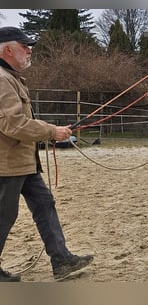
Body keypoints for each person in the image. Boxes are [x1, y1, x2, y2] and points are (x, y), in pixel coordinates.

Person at [0, 26, 93, 282]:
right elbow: (14, 124)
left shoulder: (11, 77)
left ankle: (61, 260)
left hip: (23, 163)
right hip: (6, 165)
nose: (30, 50)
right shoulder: (2, 79)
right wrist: (52, 131)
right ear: (7, 49)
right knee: (4, 216)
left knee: (44, 204)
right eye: (24, 46)